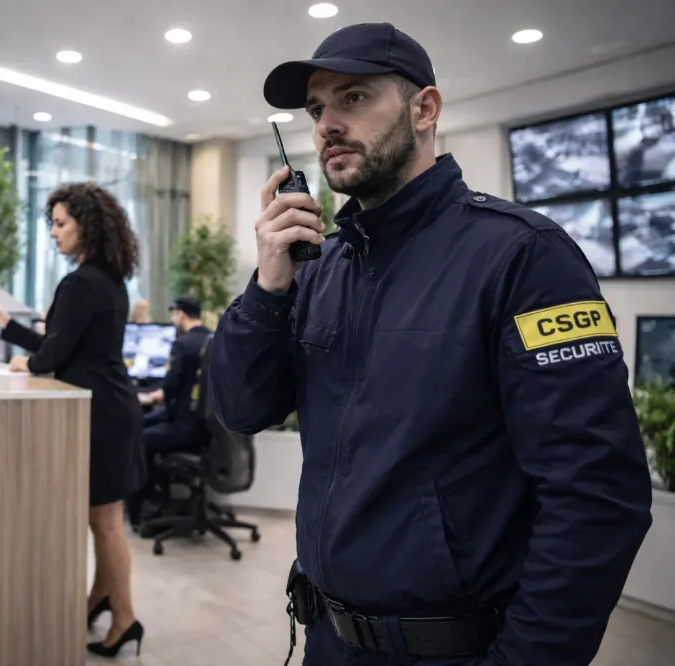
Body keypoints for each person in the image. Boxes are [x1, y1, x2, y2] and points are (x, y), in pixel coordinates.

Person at [208, 22, 654, 666]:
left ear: (425, 109)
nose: (328, 125)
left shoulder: (522, 255)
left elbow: (597, 496)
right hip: (329, 641)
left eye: (353, 97)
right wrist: (268, 288)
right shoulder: (321, 268)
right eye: (316, 109)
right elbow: (241, 407)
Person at [0, 182, 146, 658]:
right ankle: (99, 600)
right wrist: (9, 326)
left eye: (60, 224)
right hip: (112, 406)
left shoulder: (80, 283)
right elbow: (63, 343)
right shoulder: (108, 279)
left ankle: (125, 619)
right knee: (103, 519)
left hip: (101, 413)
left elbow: (52, 353)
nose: (53, 233)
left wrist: (26, 363)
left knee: (106, 523)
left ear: (85, 225)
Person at [127, 294, 211, 527]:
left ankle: (146, 505)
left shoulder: (182, 344)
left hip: (184, 426)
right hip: (206, 426)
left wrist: (154, 396)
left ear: (181, 315)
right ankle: (159, 496)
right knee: (142, 424)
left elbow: (171, 387)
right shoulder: (213, 340)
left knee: (138, 439)